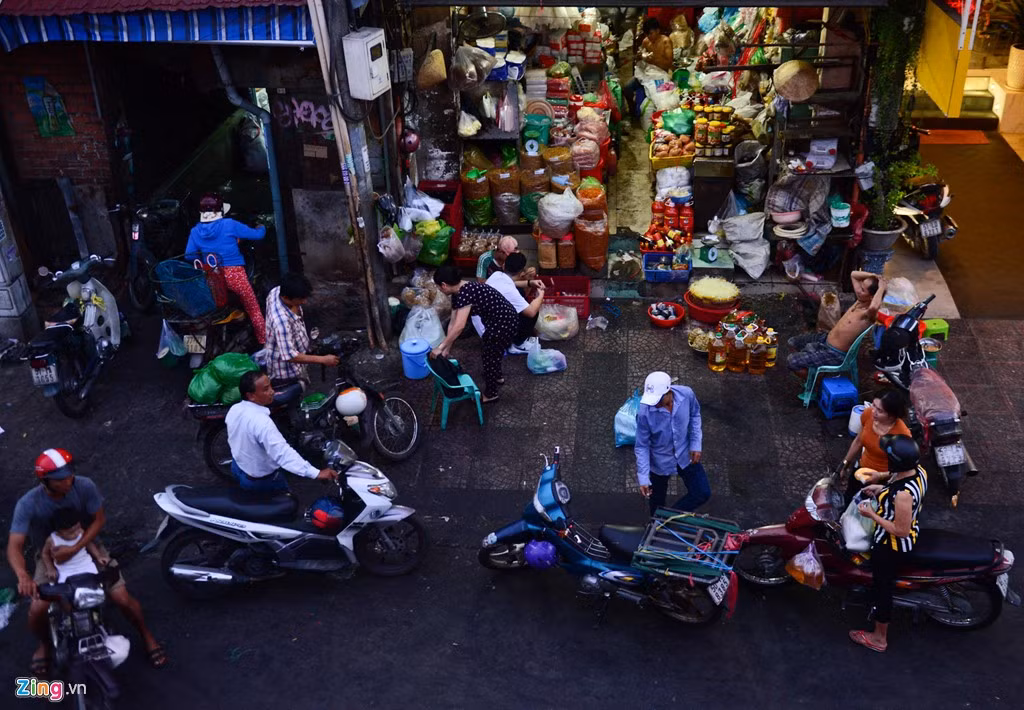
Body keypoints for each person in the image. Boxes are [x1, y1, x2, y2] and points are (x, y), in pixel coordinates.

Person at [7, 449, 166, 675]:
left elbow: (98, 521)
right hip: (49, 554)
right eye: (61, 478)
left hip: (88, 543)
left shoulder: (84, 486)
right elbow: (15, 545)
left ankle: (146, 634)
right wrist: (23, 575)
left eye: (70, 474)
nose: (68, 480)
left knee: (122, 598)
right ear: (45, 481)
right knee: (37, 610)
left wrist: (74, 548)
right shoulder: (28, 503)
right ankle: (44, 644)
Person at [849, 434, 928, 653]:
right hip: (901, 529)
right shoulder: (919, 471)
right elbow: (896, 478)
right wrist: (880, 482)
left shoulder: (903, 494)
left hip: (891, 546)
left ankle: (879, 638)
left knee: (882, 586)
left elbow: (900, 531)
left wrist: (871, 514)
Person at [226, 370, 339, 492]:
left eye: (270, 386)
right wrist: (316, 473)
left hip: (238, 468)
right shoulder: (262, 423)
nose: (272, 391)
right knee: (285, 506)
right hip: (262, 481)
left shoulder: (234, 410)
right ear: (251, 396)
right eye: (265, 389)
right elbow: (283, 454)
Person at [184, 193, 268, 344]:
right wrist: (262, 227)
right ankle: (264, 341)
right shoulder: (229, 224)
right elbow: (257, 235)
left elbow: (189, 256)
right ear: (220, 210)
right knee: (253, 307)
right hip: (234, 274)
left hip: (211, 276)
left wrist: (203, 259)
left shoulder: (195, 231)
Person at [432, 263, 519, 403]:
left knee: (489, 355)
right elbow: (453, 322)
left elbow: (459, 326)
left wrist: (440, 347)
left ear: (443, 285)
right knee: (492, 350)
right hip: (499, 321)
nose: (439, 290)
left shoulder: (466, 293)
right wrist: (447, 348)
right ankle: (497, 376)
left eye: (438, 287)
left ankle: (491, 394)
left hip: (504, 322)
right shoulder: (458, 292)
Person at [634, 371, 710, 517]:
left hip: (685, 454)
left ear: (669, 392)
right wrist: (643, 477)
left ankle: (668, 518)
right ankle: (657, 522)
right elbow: (642, 445)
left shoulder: (687, 394)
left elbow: (695, 415)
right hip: (659, 462)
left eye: (657, 400)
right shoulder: (644, 412)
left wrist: (695, 444)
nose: (654, 404)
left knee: (702, 492)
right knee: (656, 502)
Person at [787, 271, 888, 375]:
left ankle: (816, 381)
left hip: (835, 354)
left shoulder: (868, 314)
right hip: (825, 339)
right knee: (792, 342)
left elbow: (874, 306)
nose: (858, 290)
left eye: (862, 289)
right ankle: (812, 364)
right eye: (860, 286)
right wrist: (875, 276)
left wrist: (881, 288)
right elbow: (853, 274)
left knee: (792, 361)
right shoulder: (860, 300)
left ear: (872, 297)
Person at [264, 272, 339, 391]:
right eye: (301, 299)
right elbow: (289, 356)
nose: (304, 302)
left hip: (296, 352)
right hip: (286, 370)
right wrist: (323, 360)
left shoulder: (277, 291)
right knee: (294, 393)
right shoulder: (281, 321)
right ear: (286, 298)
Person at [841, 390, 912, 500]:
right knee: (848, 498)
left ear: (892, 415)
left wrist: (880, 475)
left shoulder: (902, 434)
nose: (873, 411)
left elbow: (905, 470)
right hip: (861, 471)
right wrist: (845, 463)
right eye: (873, 405)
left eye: (880, 410)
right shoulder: (868, 414)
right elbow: (859, 440)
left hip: (882, 481)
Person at [471, 252, 545, 355]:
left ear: (504, 265)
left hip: (483, 322)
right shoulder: (510, 291)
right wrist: (540, 295)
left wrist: (530, 283)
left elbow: (511, 282)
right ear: (521, 273)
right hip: (492, 333)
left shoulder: (496, 275)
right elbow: (531, 312)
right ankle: (517, 343)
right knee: (532, 312)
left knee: (520, 293)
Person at [40, 508, 108, 583]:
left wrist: (98, 556)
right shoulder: (52, 540)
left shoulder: (81, 532)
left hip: (86, 565)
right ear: (58, 532)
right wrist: (50, 568)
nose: (76, 533)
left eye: (78, 528)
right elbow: (45, 554)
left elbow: (88, 543)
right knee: (67, 590)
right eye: (71, 533)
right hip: (66, 571)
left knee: (95, 584)